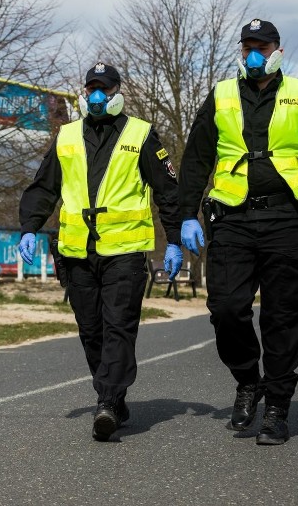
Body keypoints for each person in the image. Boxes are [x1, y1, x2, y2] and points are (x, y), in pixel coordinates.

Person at [178, 19, 298, 445]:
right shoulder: (221, 95)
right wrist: (186, 216)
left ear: (277, 51)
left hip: (286, 220)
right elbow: (196, 159)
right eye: (247, 45)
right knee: (227, 309)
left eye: (262, 46)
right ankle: (248, 381)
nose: (254, 53)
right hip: (231, 219)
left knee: (283, 316)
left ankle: (277, 408)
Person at [18, 62, 183, 442]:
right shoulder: (67, 136)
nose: (95, 95)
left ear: (116, 93)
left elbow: (167, 190)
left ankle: (107, 401)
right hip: (76, 252)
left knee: (118, 328)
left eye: (102, 89)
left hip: (124, 252)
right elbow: (44, 187)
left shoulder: (140, 134)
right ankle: (115, 397)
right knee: (91, 331)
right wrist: (30, 226)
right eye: (90, 88)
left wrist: (173, 238)